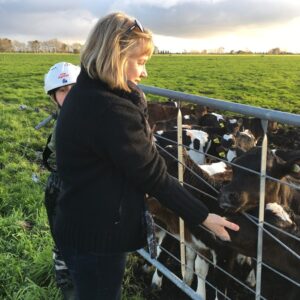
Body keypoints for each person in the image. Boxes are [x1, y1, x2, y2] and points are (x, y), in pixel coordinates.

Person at [54, 12, 239, 300]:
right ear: (115, 56)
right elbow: (153, 175)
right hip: (98, 239)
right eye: (140, 62)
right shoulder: (110, 110)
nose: (145, 73)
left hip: (79, 223)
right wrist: (203, 217)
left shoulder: (85, 93)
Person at [43, 62, 80, 300]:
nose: (68, 96)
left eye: (73, 89)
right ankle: (69, 285)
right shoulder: (64, 123)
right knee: (63, 243)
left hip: (81, 189)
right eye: (62, 91)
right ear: (54, 96)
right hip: (64, 189)